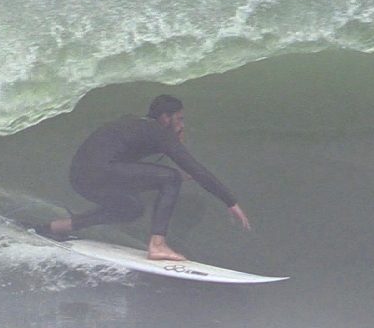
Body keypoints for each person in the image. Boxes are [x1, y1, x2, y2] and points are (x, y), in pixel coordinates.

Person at [40, 94, 250, 261]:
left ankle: (58, 227)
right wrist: (230, 202)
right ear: (165, 118)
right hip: (100, 172)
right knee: (171, 178)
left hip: (80, 176)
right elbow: (196, 169)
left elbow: (120, 161)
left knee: (132, 208)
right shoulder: (158, 131)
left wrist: (170, 150)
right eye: (179, 119)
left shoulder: (135, 124)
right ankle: (158, 245)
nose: (182, 125)